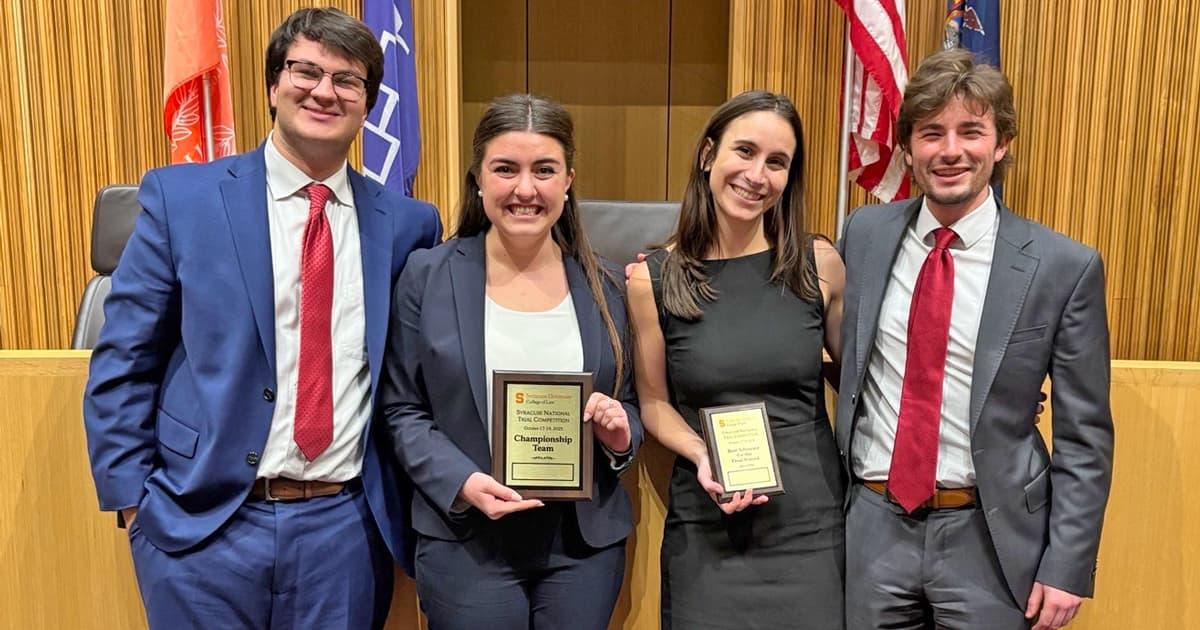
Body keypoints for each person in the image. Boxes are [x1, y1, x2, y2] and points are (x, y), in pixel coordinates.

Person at [82, 8, 442, 628]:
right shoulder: (183, 200)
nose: (325, 91)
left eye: (347, 80)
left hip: (345, 533)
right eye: (306, 72)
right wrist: (134, 506)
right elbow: (125, 361)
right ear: (274, 86)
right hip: (203, 527)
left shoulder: (409, 224)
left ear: (367, 104)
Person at [837, 48, 1114, 630]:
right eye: (931, 133)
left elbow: (1085, 437)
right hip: (873, 527)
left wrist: (1068, 564)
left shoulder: (1062, 266)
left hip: (990, 537)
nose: (950, 151)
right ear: (907, 146)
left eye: (971, 131)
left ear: (1002, 142)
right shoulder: (864, 234)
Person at [378, 94, 642, 630]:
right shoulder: (426, 276)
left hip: (581, 545)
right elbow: (401, 408)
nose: (526, 189)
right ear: (478, 178)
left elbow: (632, 404)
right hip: (466, 541)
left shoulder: (609, 284)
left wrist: (620, 436)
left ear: (568, 181)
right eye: (505, 169)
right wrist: (461, 481)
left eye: (544, 170)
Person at [627, 90, 847, 629]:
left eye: (777, 162)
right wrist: (700, 453)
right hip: (708, 526)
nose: (757, 175)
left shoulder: (819, 264)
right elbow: (654, 403)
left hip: (810, 529)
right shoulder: (653, 279)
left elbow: (865, 379)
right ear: (708, 155)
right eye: (744, 151)